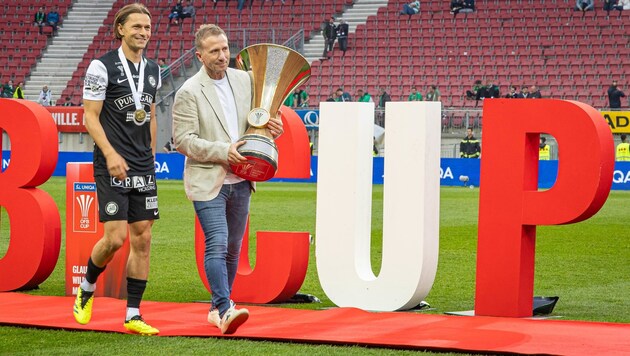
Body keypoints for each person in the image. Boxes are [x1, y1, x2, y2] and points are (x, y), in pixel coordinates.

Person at [172, 24, 283, 335]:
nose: (222, 55)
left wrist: (275, 124)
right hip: (208, 180)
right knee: (217, 243)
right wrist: (223, 150)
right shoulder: (188, 92)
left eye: (224, 48)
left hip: (244, 178)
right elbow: (183, 140)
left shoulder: (245, 79)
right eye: (214, 51)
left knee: (234, 248)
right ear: (200, 56)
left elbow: (263, 116)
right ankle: (224, 308)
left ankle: (215, 308)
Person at [72, 3, 162, 336]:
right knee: (116, 238)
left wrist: (151, 156)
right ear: (120, 28)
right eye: (136, 26)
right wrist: (110, 153)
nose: (143, 32)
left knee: (143, 238)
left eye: (148, 28)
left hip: (142, 164)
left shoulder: (154, 69)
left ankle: (134, 314)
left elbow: (149, 114)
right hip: (112, 162)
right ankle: (87, 287)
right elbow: (89, 117)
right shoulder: (101, 66)